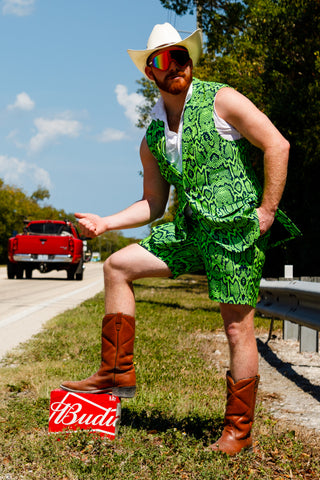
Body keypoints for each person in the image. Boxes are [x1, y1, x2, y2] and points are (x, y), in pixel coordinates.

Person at [61, 23, 300, 455]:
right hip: (190, 228)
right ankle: (116, 372)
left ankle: (238, 433)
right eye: (160, 60)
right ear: (149, 73)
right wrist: (107, 223)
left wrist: (265, 211)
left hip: (233, 231)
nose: (173, 67)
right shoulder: (152, 137)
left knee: (236, 329)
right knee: (117, 266)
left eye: (179, 57)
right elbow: (153, 202)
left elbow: (277, 145)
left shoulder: (221, 99)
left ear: (189, 62)